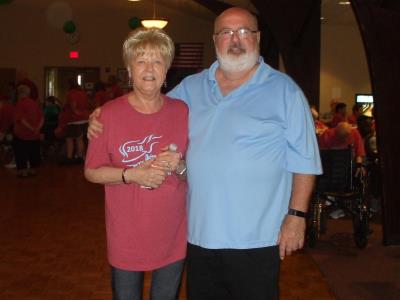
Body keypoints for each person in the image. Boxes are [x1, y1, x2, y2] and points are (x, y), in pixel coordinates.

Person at [88, 7, 322, 299]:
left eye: (244, 32)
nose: (235, 39)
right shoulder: (191, 88)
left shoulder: (285, 91)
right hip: (198, 237)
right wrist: (101, 116)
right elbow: (147, 106)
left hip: (256, 239)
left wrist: (296, 216)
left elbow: (305, 160)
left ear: (258, 38)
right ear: (215, 41)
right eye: (226, 32)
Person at [84, 28, 189, 300]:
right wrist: (133, 175)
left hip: (172, 232)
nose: (149, 68)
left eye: (157, 61)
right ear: (129, 70)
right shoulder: (107, 115)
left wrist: (179, 166)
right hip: (126, 234)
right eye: (141, 61)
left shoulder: (182, 112)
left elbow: (194, 172)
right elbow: (91, 171)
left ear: (167, 69)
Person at [13, 85, 43, 177]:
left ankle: (23, 171)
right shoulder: (34, 103)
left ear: (20, 93)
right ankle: (33, 170)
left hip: (22, 133)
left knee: (20, 151)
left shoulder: (20, 104)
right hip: (34, 135)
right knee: (33, 151)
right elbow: (42, 118)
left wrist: (31, 128)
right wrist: (37, 128)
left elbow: (21, 119)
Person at [59, 79, 90, 164]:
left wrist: (76, 112)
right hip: (84, 118)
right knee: (80, 139)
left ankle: (69, 158)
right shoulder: (82, 93)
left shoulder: (72, 93)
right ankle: (80, 157)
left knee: (69, 139)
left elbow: (73, 105)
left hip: (74, 120)